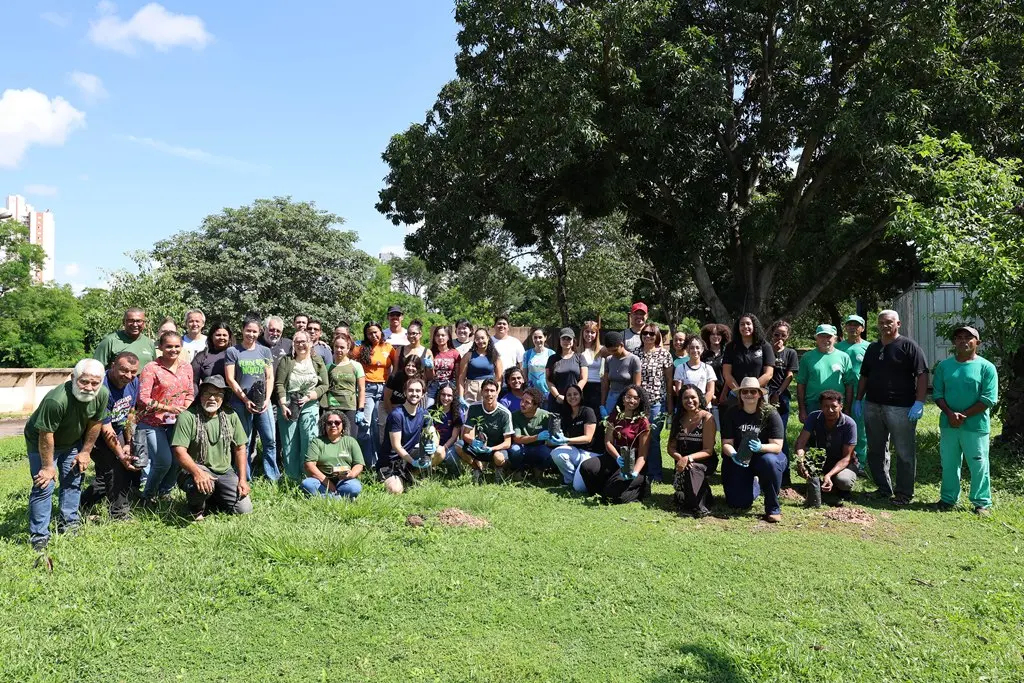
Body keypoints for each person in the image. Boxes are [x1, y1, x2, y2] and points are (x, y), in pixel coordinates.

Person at [25, 359, 108, 550]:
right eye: (84, 381)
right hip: (40, 440)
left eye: (94, 383)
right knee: (44, 484)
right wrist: (47, 467)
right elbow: (46, 434)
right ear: (73, 378)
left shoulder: (102, 394)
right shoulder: (56, 400)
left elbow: (96, 422)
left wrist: (85, 451)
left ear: (101, 382)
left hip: (71, 442)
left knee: (73, 479)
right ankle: (39, 535)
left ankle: (69, 524)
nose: (89, 387)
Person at [854, 310, 928, 505]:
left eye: (889, 322)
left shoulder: (908, 346)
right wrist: (858, 399)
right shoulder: (872, 348)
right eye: (881, 322)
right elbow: (865, 376)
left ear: (898, 324)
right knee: (875, 450)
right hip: (873, 405)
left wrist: (919, 401)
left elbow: (922, 374)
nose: (885, 326)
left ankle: (904, 494)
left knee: (904, 452)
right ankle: (883, 488)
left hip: (901, 408)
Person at [932, 325, 998, 515]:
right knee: (949, 464)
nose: (963, 341)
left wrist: (964, 415)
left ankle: (981, 503)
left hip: (975, 426)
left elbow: (988, 399)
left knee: (978, 464)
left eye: (968, 337)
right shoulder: (944, 366)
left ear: (977, 342)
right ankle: (947, 499)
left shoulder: (986, 367)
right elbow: (937, 394)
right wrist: (950, 414)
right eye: (959, 337)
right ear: (954, 342)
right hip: (948, 424)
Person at [170, 376, 252, 520]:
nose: (213, 398)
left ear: (224, 397)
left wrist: (242, 479)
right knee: (201, 486)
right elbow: (179, 451)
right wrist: (197, 472)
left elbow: (240, 448)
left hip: (225, 471)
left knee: (244, 509)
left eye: (218, 394)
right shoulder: (187, 416)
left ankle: (213, 498)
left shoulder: (231, 415)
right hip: (196, 468)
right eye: (208, 393)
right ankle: (196, 510)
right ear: (200, 395)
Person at [80, 352, 141, 521]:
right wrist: (120, 454)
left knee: (120, 468)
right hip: (95, 433)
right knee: (116, 466)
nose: (128, 376)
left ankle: (82, 503)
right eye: (124, 370)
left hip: (119, 429)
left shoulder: (134, 382)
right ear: (113, 366)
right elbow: (105, 427)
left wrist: (128, 443)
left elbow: (130, 413)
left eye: (133, 371)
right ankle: (119, 514)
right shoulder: (102, 387)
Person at [136, 330, 195, 503]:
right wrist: (167, 407)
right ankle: (148, 495)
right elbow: (143, 398)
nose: (173, 349)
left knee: (177, 460)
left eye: (177, 346)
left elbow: (190, 392)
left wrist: (184, 407)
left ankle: (165, 492)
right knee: (163, 461)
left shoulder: (186, 366)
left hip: (177, 421)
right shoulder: (151, 368)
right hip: (152, 422)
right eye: (168, 346)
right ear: (160, 347)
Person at [721, 376, 787, 522]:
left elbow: (777, 447)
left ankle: (772, 507)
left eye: (753, 392)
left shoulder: (770, 413)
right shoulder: (732, 413)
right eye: (745, 392)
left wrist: (760, 447)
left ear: (759, 394)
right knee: (738, 504)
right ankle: (754, 485)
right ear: (740, 394)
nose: (749, 395)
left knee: (769, 461)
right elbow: (726, 442)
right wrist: (734, 455)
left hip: (768, 457)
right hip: (742, 459)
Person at [225, 317, 279, 482]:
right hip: (240, 403)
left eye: (255, 331)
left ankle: (272, 477)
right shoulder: (233, 351)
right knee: (244, 442)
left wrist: (267, 399)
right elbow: (230, 379)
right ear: (242, 330)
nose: (251, 334)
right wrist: (245, 399)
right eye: (248, 330)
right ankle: (244, 477)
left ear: (259, 332)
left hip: (263, 402)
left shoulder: (264, 351)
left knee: (270, 440)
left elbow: (269, 377)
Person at [579, 384, 651, 504]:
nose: (631, 401)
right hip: (615, 456)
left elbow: (643, 455)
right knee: (586, 467)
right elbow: (608, 442)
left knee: (613, 494)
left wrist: (635, 472)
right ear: (623, 399)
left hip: (632, 461)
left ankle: (639, 487)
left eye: (636, 398)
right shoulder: (614, 416)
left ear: (640, 401)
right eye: (628, 397)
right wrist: (617, 457)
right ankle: (603, 492)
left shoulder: (643, 422)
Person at [275, 330, 329, 482]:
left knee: (309, 439)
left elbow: (325, 385)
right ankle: (292, 478)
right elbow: (279, 383)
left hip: (309, 403)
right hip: (289, 402)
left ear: (310, 343)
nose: (300, 345)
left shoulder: (317, 360)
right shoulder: (287, 360)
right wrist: (283, 404)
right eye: (297, 342)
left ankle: (308, 476)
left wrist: (310, 396)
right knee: (289, 441)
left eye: (303, 341)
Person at [793, 390, 858, 505]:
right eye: (826, 406)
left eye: (834, 406)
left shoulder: (849, 424)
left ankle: (839, 488)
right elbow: (800, 443)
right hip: (820, 459)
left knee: (844, 481)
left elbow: (846, 458)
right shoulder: (813, 417)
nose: (830, 410)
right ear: (821, 407)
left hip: (842, 464)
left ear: (841, 407)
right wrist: (800, 461)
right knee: (802, 465)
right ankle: (815, 486)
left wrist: (829, 475)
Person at [668, 384, 718, 517]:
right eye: (685, 398)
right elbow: (671, 447)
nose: (689, 401)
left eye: (693, 397)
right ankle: (704, 494)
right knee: (689, 470)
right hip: (682, 462)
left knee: (692, 469)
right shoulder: (677, 418)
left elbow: (708, 450)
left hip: (705, 460)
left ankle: (697, 507)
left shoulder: (707, 418)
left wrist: (688, 458)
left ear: (699, 398)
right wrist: (680, 459)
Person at [353, 321, 398, 469]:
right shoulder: (360, 348)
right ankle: (367, 462)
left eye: (376, 332)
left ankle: (381, 461)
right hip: (367, 389)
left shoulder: (388, 348)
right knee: (365, 426)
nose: (373, 335)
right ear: (366, 335)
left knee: (380, 426)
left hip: (384, 389)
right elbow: (348, 359)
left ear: (381, 332)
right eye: (370, 333)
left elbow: (396, 369)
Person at [378, 377, 434, 494]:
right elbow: (396, 445)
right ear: (405, 393)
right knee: (395, 490)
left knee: (439, 451)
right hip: (391, 462)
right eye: (411, 390)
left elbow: (432, 433)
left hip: (408, 458)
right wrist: (413, 461)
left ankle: (411, 475)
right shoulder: (396, 415)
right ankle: (401, 478)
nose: (414, 394)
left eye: (418, 391)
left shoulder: (424, 414)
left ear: (423, 394)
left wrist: (433, 446)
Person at [456, 378, 514, 484]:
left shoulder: (505, 413)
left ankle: (499, 471)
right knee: (459, 446)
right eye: (486, 390)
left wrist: (491, 449)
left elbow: (507, 443)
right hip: (478, 446)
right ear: (481, 392)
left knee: (499, 458)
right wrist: (473, 441)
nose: (489, 394)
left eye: (492, 391)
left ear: (497, 392)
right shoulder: (474, 408)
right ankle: (477, 469)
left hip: (496, 449)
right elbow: (466, 434)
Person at [636, 322, 673, 482]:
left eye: (651, 333)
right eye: (645, 333)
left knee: (653, 437)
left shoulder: (664, 354)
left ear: (657, 336)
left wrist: (670, 402)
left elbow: (669, 380)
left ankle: (655, 474)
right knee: (639, 436)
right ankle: (640, 470)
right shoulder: (635, 353)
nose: (648, 336)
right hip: (638, 402)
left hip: (657, 402)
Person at [796, 324, 856, 423]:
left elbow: (849, 384)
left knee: (837, 437)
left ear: (835, 338)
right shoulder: (807, 357)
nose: (825, 339)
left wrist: (847, 409)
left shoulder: (844, 357)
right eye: (821, 336)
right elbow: (801, 384)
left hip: (836, 406)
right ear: (816, 338)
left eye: (828, 336)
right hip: (813, 404)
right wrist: (802, 409)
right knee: (814, 436)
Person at [301, 410, 364, 499]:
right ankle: (340, 498)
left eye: (337, 423)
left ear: (343, 425)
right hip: (321, 481)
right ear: (325, 426)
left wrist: (351, 474)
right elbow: (309, 465)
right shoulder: (317, 442)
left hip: (344, 481)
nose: (333, 425)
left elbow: (359, 464)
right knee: (307, 484)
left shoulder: (351, 441)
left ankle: (326, 497)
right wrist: (328, 483)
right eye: (329, 423)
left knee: (354, 487)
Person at [836, 314, 870, 468]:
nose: (852, 328)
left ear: (862, 328)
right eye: (849, 324)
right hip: (840, 393)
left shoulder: (868, 347)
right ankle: (841, 458)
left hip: (861, 395)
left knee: (860, 428)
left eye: (856, 325)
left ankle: (860, 462)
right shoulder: (838, 347)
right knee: (840, 426)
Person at [551, 384, 600, 491]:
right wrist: (551, 440)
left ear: (580, 395)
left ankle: (577, 480)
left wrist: (567, 440)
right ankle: (569, 479)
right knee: (556, 453)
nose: (572, 397)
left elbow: (588, 438)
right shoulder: (566, 415)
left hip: (590, 453)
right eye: (569, 395)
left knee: (579, 488)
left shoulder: (587, 411)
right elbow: (560, 438)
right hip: (576, 451)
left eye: (575, 394)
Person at [721, 313, 775, 409]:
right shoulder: (731, 347)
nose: (745, 326)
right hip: (736, 395)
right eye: (742, 324)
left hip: (759, 393)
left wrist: (752, 390)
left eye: (748, 324)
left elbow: (769, 374)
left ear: (754, 326)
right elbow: (727, 374)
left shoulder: (765, 346)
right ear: (738, 327)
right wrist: (740, 392)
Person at [323, 333, 366, 430]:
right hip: (332, 408)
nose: (339, 350)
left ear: (348, 348)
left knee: (350, 440)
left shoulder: (356, 366)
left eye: (342, 347)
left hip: (350, 407)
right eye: (336, 347)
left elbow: (361, 389)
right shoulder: (328, 367)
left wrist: (361, 410)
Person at [510, 387, 553, 478]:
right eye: (522, 400)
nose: (522, 404)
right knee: (514, 450)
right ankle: (518, 470)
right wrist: (537, 437)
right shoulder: (515, 416)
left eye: (527, 402)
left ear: (535, 405)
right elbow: (517, 439)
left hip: (539, 447)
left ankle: (538, 469)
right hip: (522, 447)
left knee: (550, 453)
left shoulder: (546, 416)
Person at [546, 327, 588, 413]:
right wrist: (557, 396)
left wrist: (573, 394)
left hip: (575, 401)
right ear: (559, 340)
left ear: (573, 341)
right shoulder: (552, 358)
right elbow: (548, 380)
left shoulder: (580, 357)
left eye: (569, 339)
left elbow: (584, 378)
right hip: (557, 401)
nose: (566, 341)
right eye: (563, 338)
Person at [601, 331, 641, 418]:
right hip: (611, 399)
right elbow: (605, 384)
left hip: (627, 400)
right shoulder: (609, 360)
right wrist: (602, 404)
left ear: (622, 345)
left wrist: (631, 403)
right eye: (609, 351)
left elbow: (637, 386)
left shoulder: (634, 360)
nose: (612, 353)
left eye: (615, 350)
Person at [458, 327, 503, 406]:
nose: (480, 341)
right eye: (477, 339)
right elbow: (461, 378)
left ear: (488, 338)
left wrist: (496, 393)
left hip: (488, 391)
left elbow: (499, 379)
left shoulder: (495, 357)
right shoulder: (468, 356)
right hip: (471, 391)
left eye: (482, 338)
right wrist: (461, 396)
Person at [700, 322, 732, 428]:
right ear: (707, 337)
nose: (715, 337)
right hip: (708, 395)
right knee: (707, 427)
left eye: (718, 334)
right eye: (712, 334)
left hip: (726, 395)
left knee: (726, 427)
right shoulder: (703, 355)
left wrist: (723, 394)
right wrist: (710, 394)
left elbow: (730, 375)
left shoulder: (728, 353)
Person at [672, 336, 716, 409]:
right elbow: (679, 391)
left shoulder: (708, 368)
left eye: (697, 347)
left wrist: (701, 406)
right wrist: (690, 406)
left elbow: (710, 391)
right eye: (692, 348)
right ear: (687, 350)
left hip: (704, 408)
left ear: (702, 349)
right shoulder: (680, 368)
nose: (695, 350)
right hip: (686, 408)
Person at [191, 322, 233, 397]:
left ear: (229, 337)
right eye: (218, 335)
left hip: (233, 401)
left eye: (225, 335)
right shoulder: (202, 356)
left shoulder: (235, 355)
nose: (221, 338)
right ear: (211, 337)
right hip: (209, 398)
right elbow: (193, 382)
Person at [431, 384, 465, 476]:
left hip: (449, 445)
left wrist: (443, 448)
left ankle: (453, 474)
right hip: (432, 445)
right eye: (443, 394)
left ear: (454, 397)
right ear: (439, 395)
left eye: (449, 395)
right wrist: (436, 447)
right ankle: (430, 471)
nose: (446, 398)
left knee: (451, 459)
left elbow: (454, 437)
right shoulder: (430, 411)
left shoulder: (458, 413)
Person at [426, 325, 461, 407]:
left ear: (448, 337)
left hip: (449, 386)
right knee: (428, 409)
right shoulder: (430, 352)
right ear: (434, 338)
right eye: (437, 335)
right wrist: (430, 368)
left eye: (443, 335)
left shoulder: (455, 353)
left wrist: (458, 391)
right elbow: (429, 376)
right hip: (434, 386)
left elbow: (458, 375)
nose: (440, 337)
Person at [579, 321, 604, 415]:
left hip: (597, 387)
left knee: (595, 415)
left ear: (596, 334)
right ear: (582, 332)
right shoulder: (577, 350)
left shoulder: (602, 350)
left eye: (592, 332)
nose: (589, 334)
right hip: (581, 386)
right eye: (587, 331)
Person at [523, 327, 555, 399]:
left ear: (545, 338)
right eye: (535, 337)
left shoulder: (551, 354)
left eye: (540, 337)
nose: (538, 340)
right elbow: (525, 375)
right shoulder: (527, 354)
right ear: (532, 338)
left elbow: (555, 374)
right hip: (532, 394)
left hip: (548, 393)